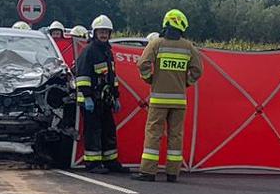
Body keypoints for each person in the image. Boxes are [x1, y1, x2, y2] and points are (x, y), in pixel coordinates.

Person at [135, 9, 203, 183]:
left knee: (153, 134)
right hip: (179, 100)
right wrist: (186, 83)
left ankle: (148, 172)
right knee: (176, 135)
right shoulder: (189, 47)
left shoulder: (156, 44)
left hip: (158, 100)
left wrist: (149, 79)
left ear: (166, 24)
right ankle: (173, 173)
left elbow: (143, 63)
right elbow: (198, 70)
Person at [75, 14, 124, 174]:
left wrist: (116, 97)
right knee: (93, 131)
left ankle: (110, 161)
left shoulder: (107, 52)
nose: (103, 35)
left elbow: (112, 77)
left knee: (108, 130)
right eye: (101, 32)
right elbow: (82, 76)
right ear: (94, 33)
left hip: (105, 100)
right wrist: (87, 97)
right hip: (91, 100)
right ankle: (92, 163)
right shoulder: (89, 51)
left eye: (106, 32)